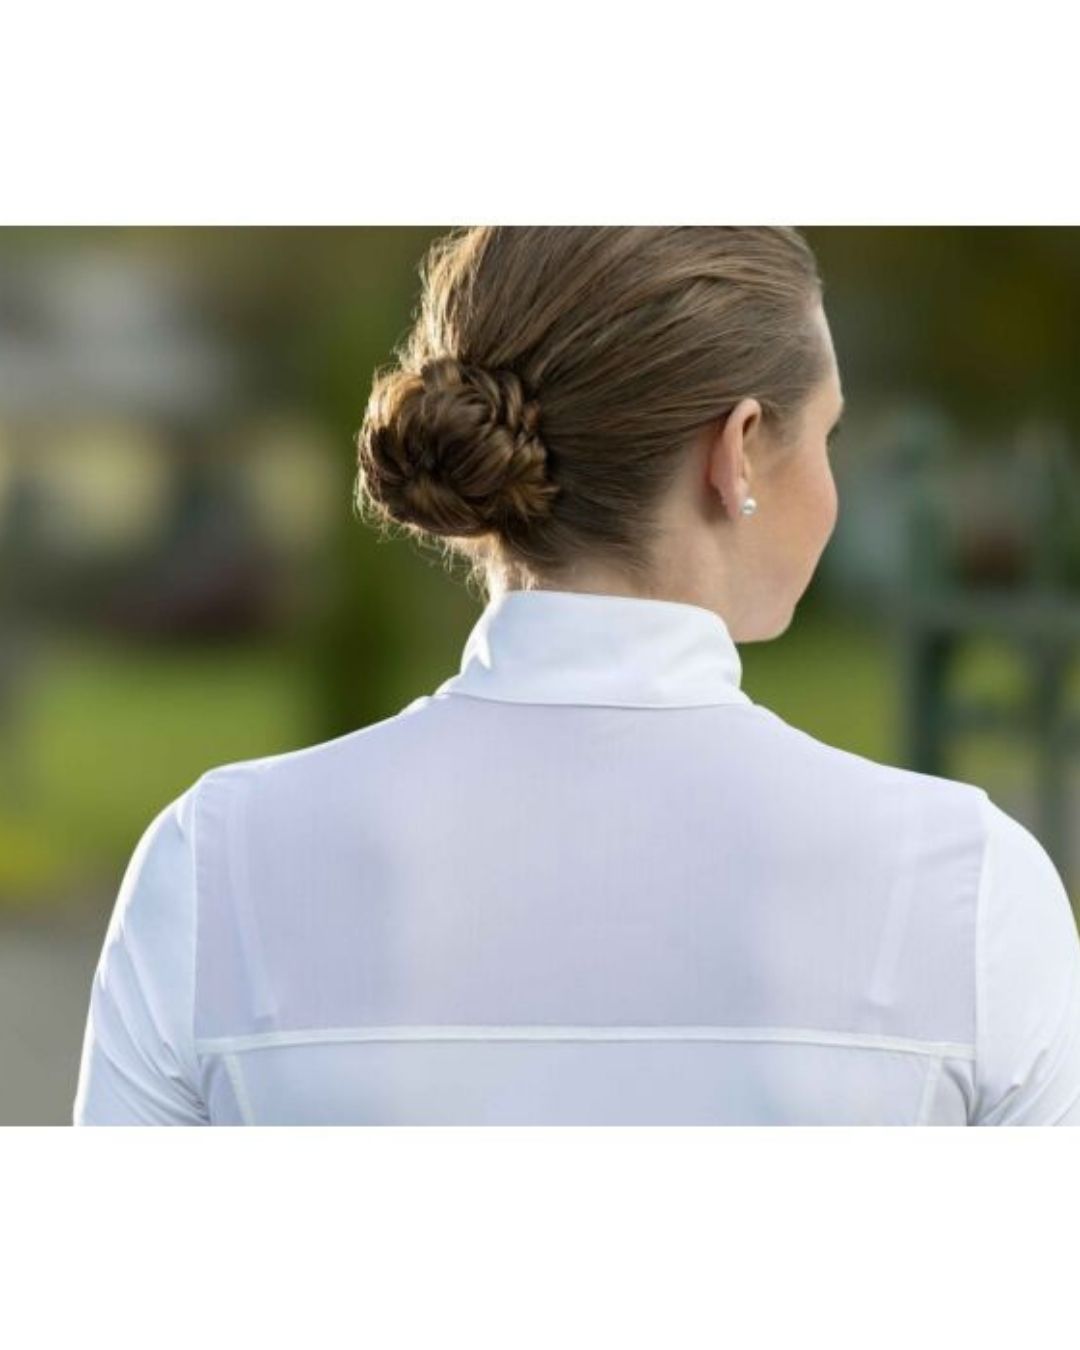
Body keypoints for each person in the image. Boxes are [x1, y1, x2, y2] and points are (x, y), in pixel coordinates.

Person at [73, 226, 1080, 1125]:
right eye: (826, 433)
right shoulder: (967, 883)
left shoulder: (218, 861)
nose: (831, 481)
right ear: (736, 454)